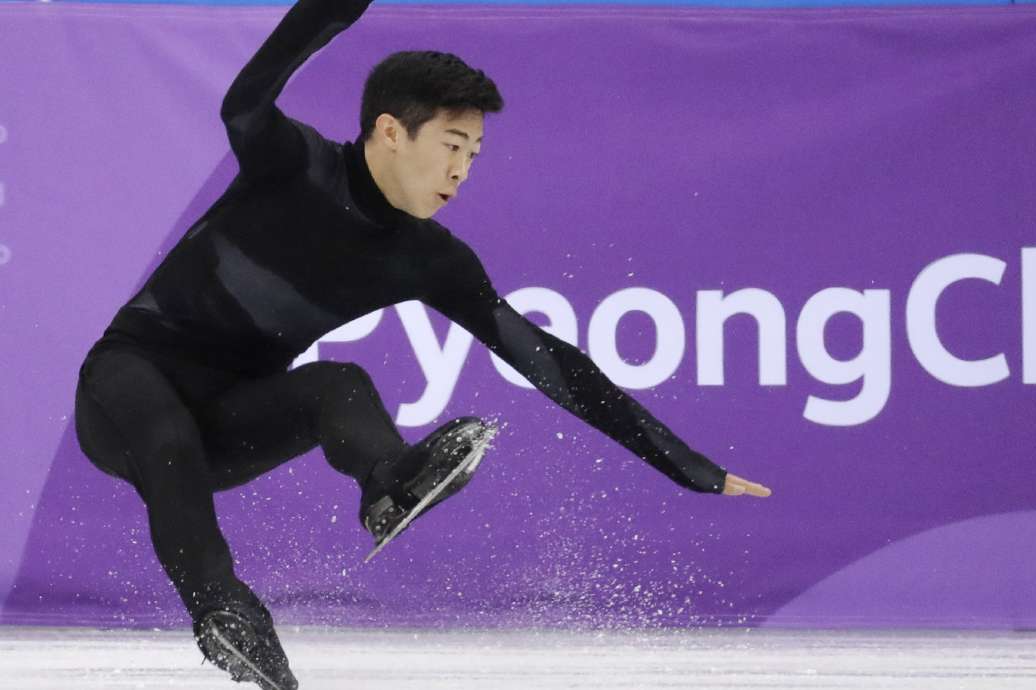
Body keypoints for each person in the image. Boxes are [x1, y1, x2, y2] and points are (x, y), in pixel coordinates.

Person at [72, 0, 771, 687]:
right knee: (164, 430)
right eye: (451, 146)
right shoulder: (292, 163)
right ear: (390, 132)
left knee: (337, 386)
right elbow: (244, 100)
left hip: (226, 427)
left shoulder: (431, 259)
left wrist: (687, 466)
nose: (462, 169)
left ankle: (389, 485)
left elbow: (552, 363)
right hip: (125, 391)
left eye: (474, 152)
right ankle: (224, 610)